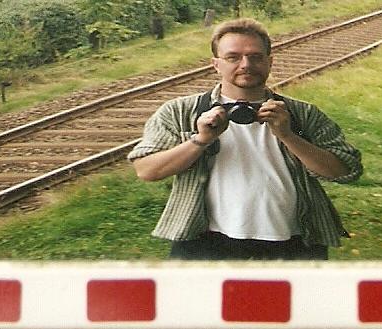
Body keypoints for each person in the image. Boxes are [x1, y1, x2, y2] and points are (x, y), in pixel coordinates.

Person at [128, 18, 363, 260]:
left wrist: (288, 135)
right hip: (204, 243)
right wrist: (200, 140)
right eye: (233, 57)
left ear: (270, 62)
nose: (246, 64)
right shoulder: (180, 111)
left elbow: (346, 171)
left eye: (255, 56)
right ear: (216, 64)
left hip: (295, 243)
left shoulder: (302, 114)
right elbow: (146, 170)